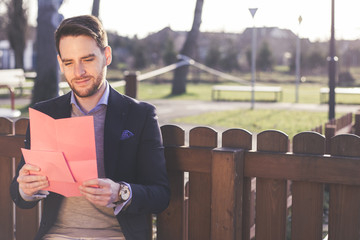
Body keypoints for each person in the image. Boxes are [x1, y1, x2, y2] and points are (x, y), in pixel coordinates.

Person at [10, 15, 170, 240]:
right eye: (69, 62)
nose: (79, 72)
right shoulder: (46, 114)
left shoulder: (139, 115)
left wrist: (120, 192)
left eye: (87, 59)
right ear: (60, 63)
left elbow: (160, 194)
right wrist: (26, 189)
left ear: (107, 56)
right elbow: (17, 193)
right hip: (57, 235)